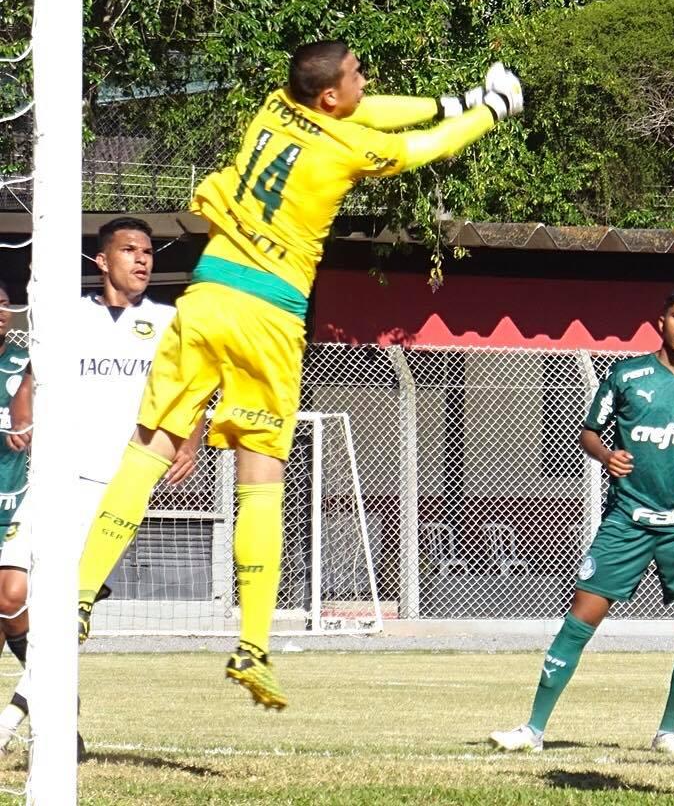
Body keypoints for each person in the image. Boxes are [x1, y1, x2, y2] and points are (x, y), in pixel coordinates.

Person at [75, 42, 524, 710]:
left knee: (148, 449)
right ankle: (253, 645)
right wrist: (490, 109)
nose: (365, 81)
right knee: (261, 476)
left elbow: (369, 109)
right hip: (269, 314)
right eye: (356, 75)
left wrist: (446, 97)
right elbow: (424, 149)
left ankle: (80, 596)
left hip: (207, 294)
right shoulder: (343, 150)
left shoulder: (273, 107)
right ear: (330, 98)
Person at [490, 287, 674, 755]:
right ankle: (534, 729)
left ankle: (668, 732)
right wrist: (606, 455)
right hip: (627, 521)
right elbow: (589, 431)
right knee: (579, 621)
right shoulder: (626, 375)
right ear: (660, 320)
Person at [0, 218, 200, 749]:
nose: (142, 260)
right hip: (55, 479)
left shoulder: (167, 321)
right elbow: (29, 382)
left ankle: (18, 724)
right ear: (101, 261)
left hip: (114, 488)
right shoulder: (68, 317)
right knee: (8, 593)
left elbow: (193, 391)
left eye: (149, 252)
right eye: (130, 250)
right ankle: (55, 695)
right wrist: (24, 421)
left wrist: (190, 440)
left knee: (69, 612)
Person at [0, 279, 30, 684]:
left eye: (4, 303)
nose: (0, 311)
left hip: (17, 504)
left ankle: (53, 696)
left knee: (10, 602)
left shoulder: (25, 365)